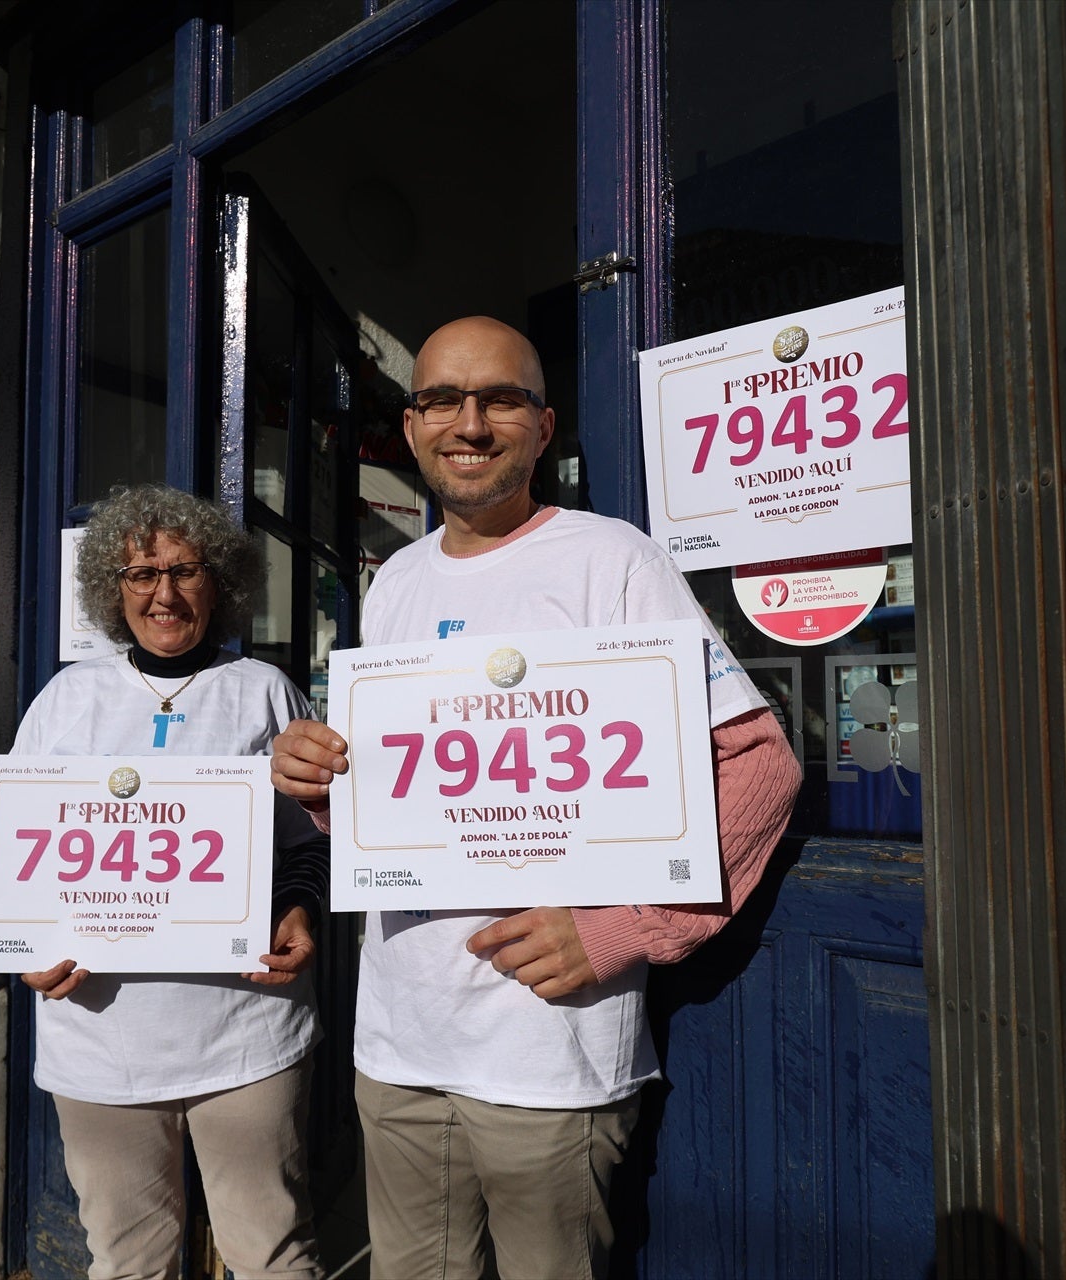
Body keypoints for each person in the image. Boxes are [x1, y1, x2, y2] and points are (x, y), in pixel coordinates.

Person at [271, 316, 801, 1280]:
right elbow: (399, 796)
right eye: (441, 399)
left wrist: (625, 928)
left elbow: (760, 764)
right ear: (413, 423)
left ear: (543, 426)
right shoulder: (391, 580)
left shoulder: (613, 558)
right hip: (398, 1044)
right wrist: (320, 785)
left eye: (500, 398)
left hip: (551, 1053)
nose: (469, 423)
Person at [17, 485, 327, 1280]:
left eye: (184, 571)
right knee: (127, 1263)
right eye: (140, 575)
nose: (163, 593)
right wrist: (27, 945)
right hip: (100, 1037)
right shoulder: (65, 702)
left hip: (245, 1030)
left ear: (218, 581)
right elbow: (21, 853)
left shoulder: (263, 690)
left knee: (273, 1255)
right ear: (112, 591)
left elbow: (307, 840)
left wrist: (299, 907)